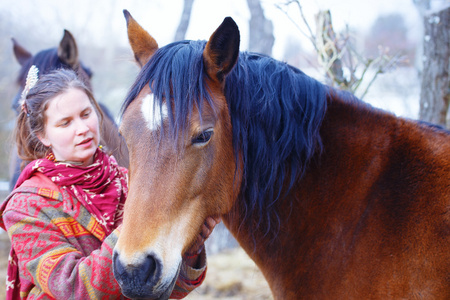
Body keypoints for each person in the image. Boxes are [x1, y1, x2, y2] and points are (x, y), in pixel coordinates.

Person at [0, 66, 220, 299]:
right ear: (43, 135)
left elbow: (161, 291)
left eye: (86, 114)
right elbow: (73, 289)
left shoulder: (128, 182)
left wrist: (190, 250)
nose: (83, 129)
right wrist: (143, 222)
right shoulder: (26, 206)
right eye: (65, 123)